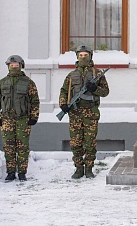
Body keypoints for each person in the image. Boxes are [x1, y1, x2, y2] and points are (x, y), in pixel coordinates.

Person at [59, 45, 109, 179]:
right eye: (80, 55)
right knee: (75, 142)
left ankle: (89, 168)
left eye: (85, 55)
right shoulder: (71, 75)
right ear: (77, 57)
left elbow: (105, 92)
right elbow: (64, 91)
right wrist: (63, 104)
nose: (83, 57)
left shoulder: (97, 74)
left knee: (90, 142)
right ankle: (78, 168)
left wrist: (94, 89)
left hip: (90, 113)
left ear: (90, 56)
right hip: (75, 114)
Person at [0, 55, 40, 182]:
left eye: (16, 65)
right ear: (8, 66)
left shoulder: (28, 82)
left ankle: (22, 173)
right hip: (7, 119)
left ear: (21, 66)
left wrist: (34, 117)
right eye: (12, 65)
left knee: (23, 147)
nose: (14, 67)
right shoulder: (2, 83)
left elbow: (35, 101)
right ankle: (11, 172)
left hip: (23, 119)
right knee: (9, 147)